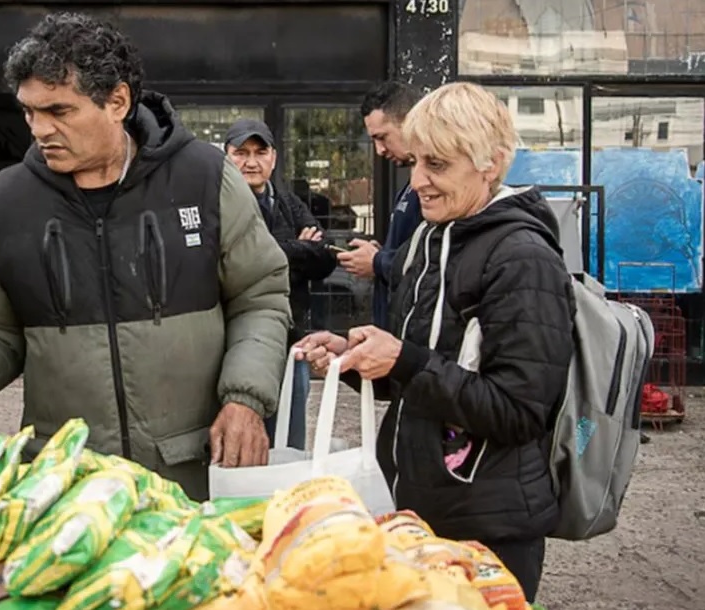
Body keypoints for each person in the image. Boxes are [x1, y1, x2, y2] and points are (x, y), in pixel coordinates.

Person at [0, 12, 291, 500]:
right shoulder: (2, 204)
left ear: (117, 101)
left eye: (59, 111)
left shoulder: (206, 178)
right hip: (67, 489)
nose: (39, 129)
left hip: (191, 474)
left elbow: (260, 297)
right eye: (29, 111)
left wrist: (246, 399)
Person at [296, 82, 575, 602]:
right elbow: (420, 374)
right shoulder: (430, 236)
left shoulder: (523, 259)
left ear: (490, 163)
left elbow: (519, 409)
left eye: (438, 166)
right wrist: (354, 359)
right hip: (421, 511)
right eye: (417, 162)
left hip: (488, 528)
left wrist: (402, 359)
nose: (419, 180)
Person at [224, 119, 336, 450]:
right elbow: (236, 265)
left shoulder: (287, 202)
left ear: (273, 158)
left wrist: (281, 252)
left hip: (293, 340)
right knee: (242, 441)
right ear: (227, 158)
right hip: (238, 344)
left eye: (260, 152)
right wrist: (297, 250)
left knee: (289, 441)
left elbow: (325, 258)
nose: (251, 162)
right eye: (241, 153)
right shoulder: (220, 205)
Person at [338, 81, 424, 329]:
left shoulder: (436, 194)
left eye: (382, 137)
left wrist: (378, 261)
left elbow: (434, 265)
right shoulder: (408, 190)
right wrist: (382, 253)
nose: (379, 150)